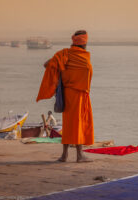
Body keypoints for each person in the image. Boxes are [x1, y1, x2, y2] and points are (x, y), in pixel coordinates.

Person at [36, 30, 94, 163]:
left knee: (69, 125)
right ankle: (79, 156)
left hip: (69, 94)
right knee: (77, 124)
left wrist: (61, 70)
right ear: (84, 43)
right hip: (78, 95)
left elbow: (47, 64)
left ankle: (64, 155)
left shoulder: (64, 54)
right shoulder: (81, 57)